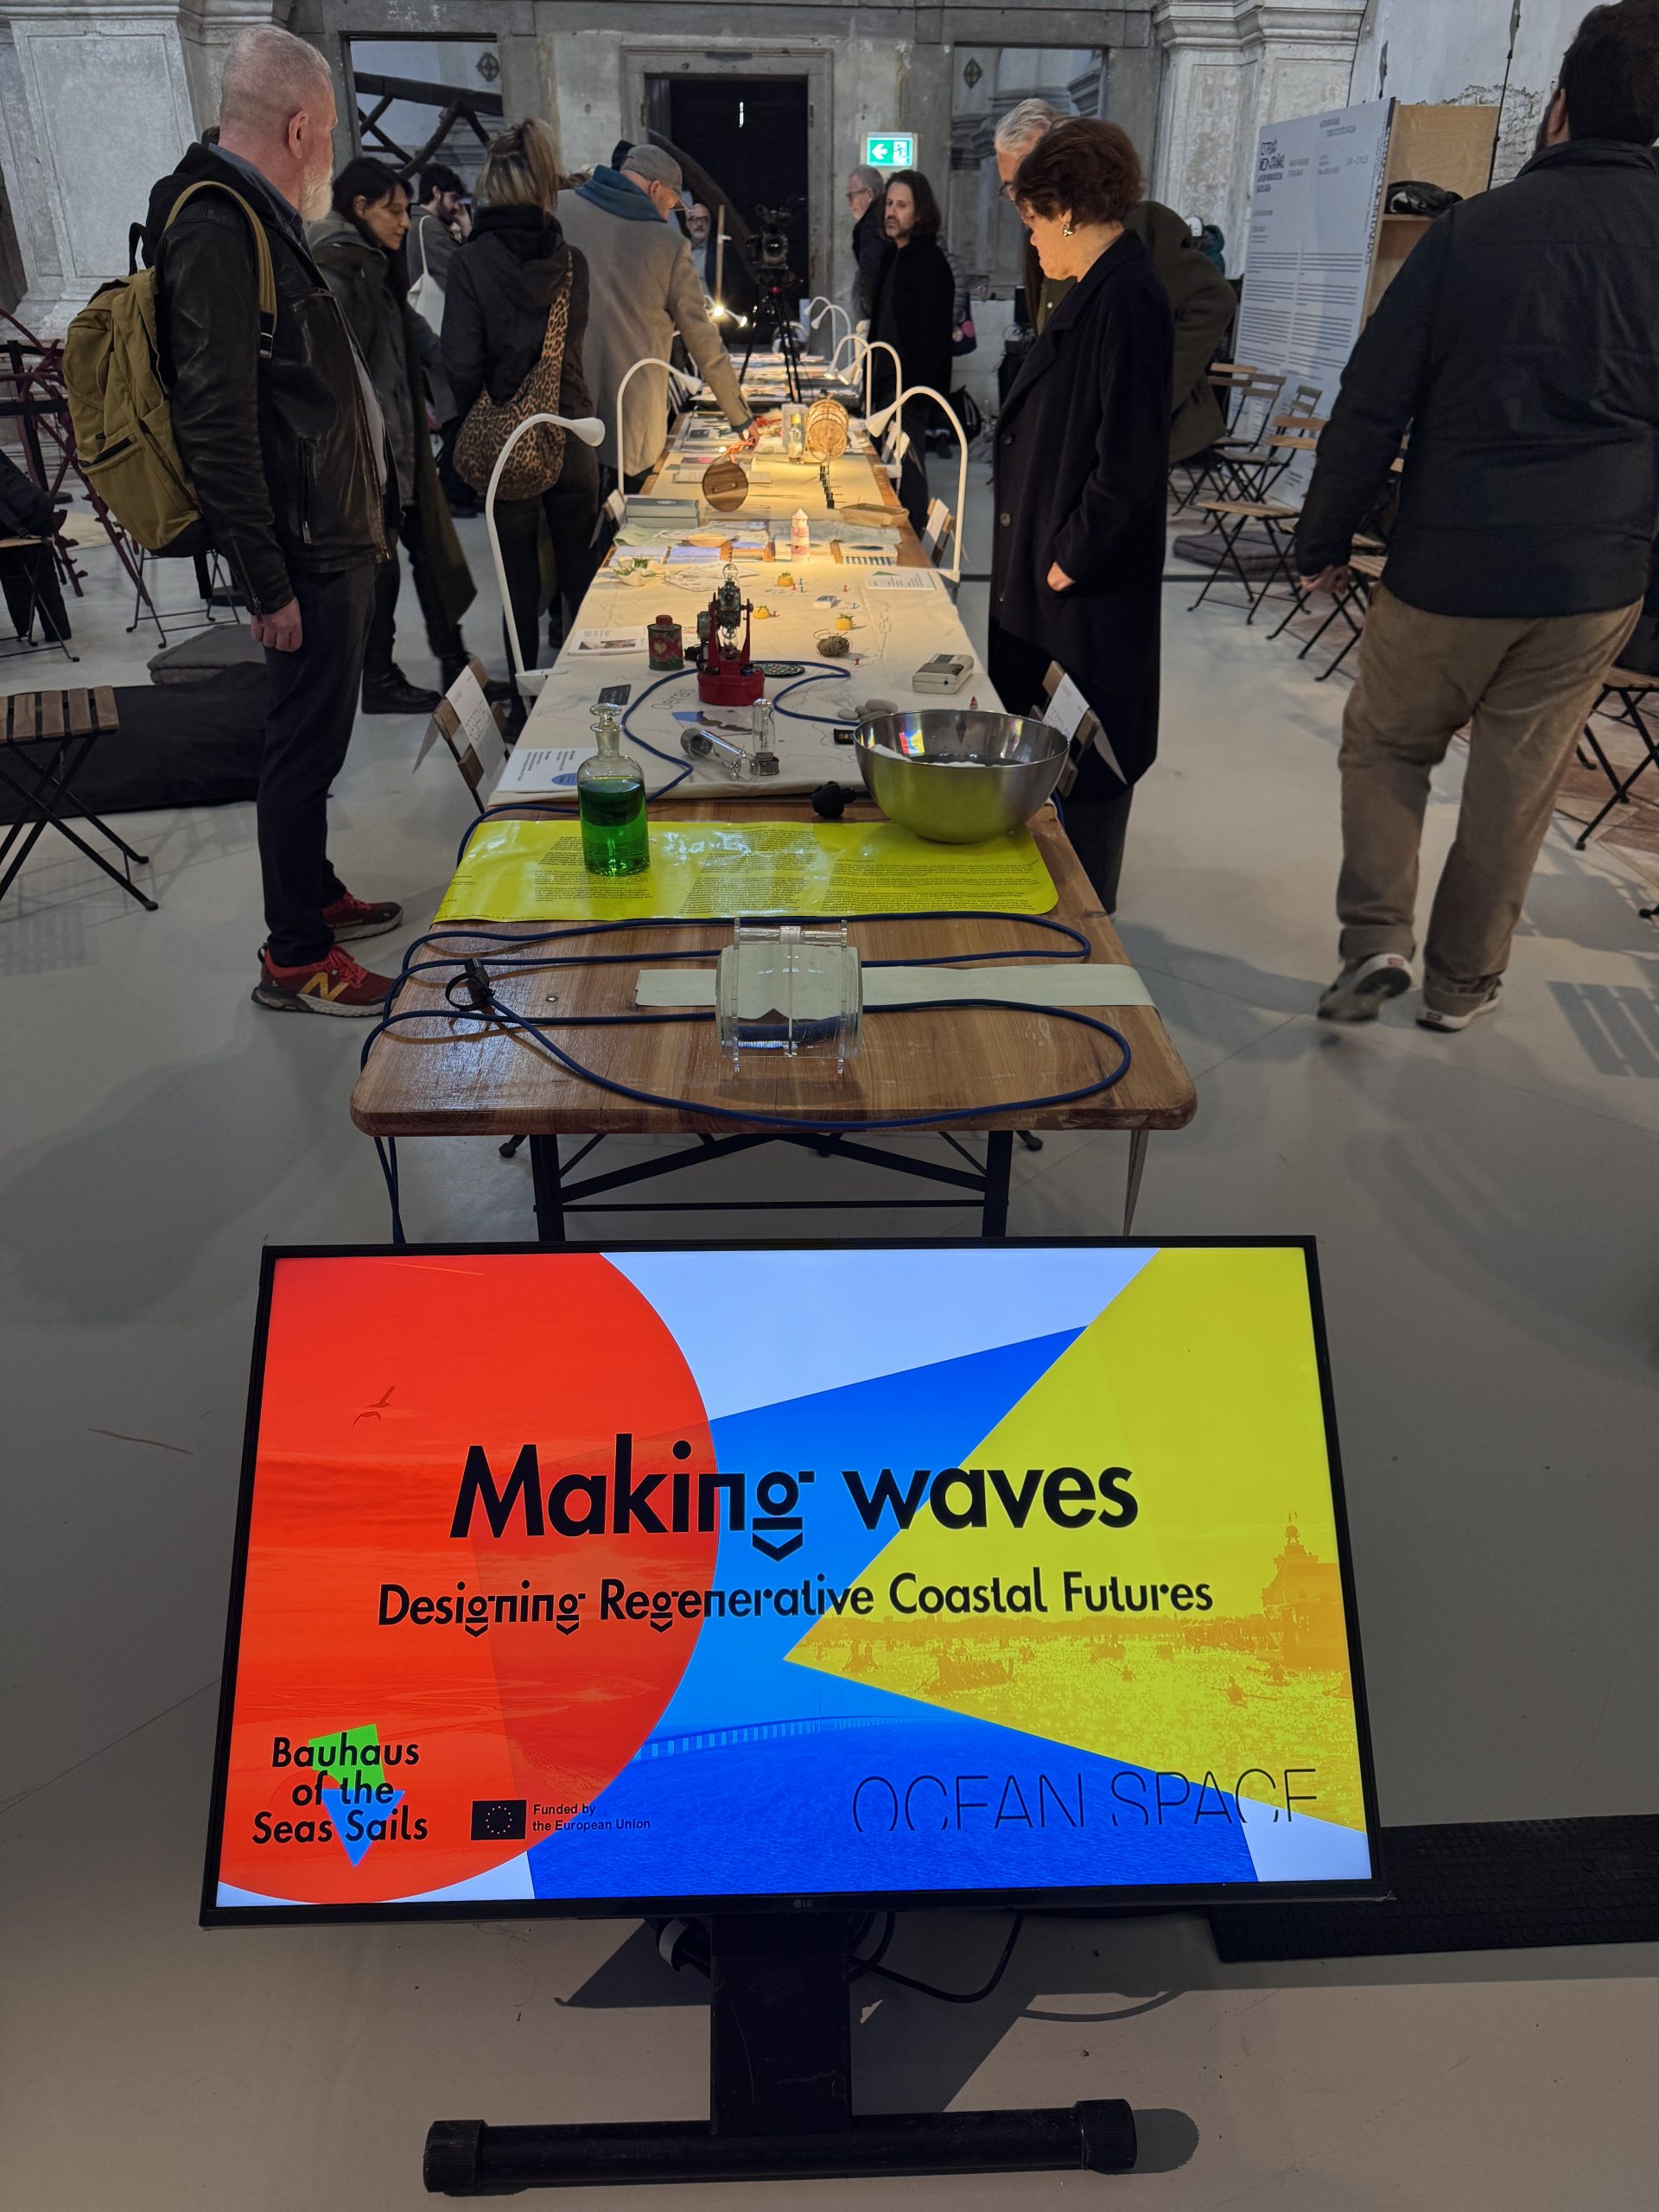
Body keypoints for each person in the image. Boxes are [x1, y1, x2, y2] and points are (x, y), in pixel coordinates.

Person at [1295, 0, 1659, 1032]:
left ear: (1559, 107)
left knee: (1388, 745)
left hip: (1450, 563)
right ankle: (1462, 988)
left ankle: (1378, 940)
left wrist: (1323, 538)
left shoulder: (1474, 231)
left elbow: (1374, 398)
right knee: (1519, 782)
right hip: (1594, 576)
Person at [145, 24, 399, 1016]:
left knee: (318, 739)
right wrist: (265, 583)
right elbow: (217, 424)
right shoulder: (217, 225)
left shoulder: (255, 213)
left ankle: (314, 890)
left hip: (326, 530)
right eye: (328, 132)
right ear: (299, 129)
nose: (329, 150)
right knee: (300, 748)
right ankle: (295, 955)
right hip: (303, 546)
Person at [989, 118, 1173, 917]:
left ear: (1064, 210)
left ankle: (1087, 939)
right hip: (1054, 591)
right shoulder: (1095, 288)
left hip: (1084, 605)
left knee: (1087, 775)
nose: (1031, 241)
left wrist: (1068, 559)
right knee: (1047, 769)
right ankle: (1049, 918)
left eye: (1033, 220)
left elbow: (1129, 464)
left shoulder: (1127, 297)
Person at [442, 118, 601, 709]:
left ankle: (527, 706)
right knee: (580, 575)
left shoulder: (469, 264)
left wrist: (486, 407)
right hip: (571, 430)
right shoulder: (571, 264)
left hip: (508, 443)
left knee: (518, 583)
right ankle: (590, 697)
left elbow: (460, 361)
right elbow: (570, 355)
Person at [309, 160, 477, 716]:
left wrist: (464, 374)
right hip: (370, 455)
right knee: (382, 570)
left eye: (406, 209)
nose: (405, 222)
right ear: (360, 207)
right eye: (394, 210)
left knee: (432, 557)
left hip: (399, 448)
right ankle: (379, 679)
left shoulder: (369, 264)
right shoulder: (338, 267)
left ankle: (456, 666)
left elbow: (413, 334)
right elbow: (339, 373)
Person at [994, 97, 1234, 467]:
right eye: (1010, 187)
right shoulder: (1046, 232)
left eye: (1026, 176)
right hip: (1077, 438)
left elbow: (1213, 300)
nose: (1019, 197)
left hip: (1130, 442)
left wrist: (1145, 395)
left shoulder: (1134, 226)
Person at [557, 144, 749, 489]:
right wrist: (740, 417)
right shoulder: (668, 245)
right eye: (670, 205)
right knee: (629, 513)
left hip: (561, 404)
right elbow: (702, 338)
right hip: (630, 417)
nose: (667, 216)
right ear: (655, 188)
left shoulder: (558, 209)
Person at [868, 168, 954, 532]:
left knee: (910, 477)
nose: (892, 212)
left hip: (908, 390)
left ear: (919, 213)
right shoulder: (893, 256)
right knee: (886, 476)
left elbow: (933, 338)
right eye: (889, 204)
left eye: (901, 206)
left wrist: (911, 393)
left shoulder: (929, 262)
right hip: (885, 385)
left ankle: (913, 550)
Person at [845, 162, 887, 320]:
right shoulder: (880, 221)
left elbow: (872, 273)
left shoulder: (872, 227)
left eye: (851, 196)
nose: (849, 204)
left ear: (869, 194)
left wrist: (867, 311)